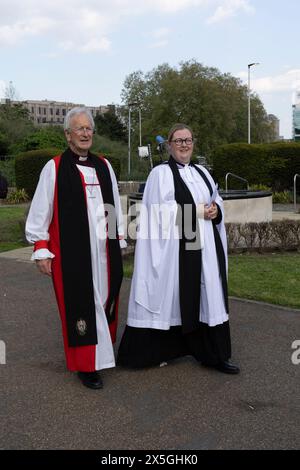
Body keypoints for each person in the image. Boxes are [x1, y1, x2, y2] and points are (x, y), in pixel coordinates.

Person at [117, 123, 240, 374]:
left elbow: (216, 198)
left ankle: (215, 354)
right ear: (169, 145)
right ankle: (157, 352)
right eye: (178, 140)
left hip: (205, 247)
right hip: (177, 250)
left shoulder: (203, 172)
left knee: (209, 296)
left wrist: (216, 210)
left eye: (188, 140)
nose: (184, 145)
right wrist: (197, 212)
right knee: (173, 296)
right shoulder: (160, 174)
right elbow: (156, 213)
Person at [26, 107, 125, 389]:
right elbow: (40, 213)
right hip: (73, 254)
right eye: (78, 129)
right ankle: (86, 366)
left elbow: (114, 207)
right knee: (82, 304)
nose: (84, 133)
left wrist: (119, 239)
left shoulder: (105, 166)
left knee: (105, 299)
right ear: (68, 134)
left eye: (88, 128)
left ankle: (102, 356)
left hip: (104, 252)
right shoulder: (55, 167)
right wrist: (41, 249)